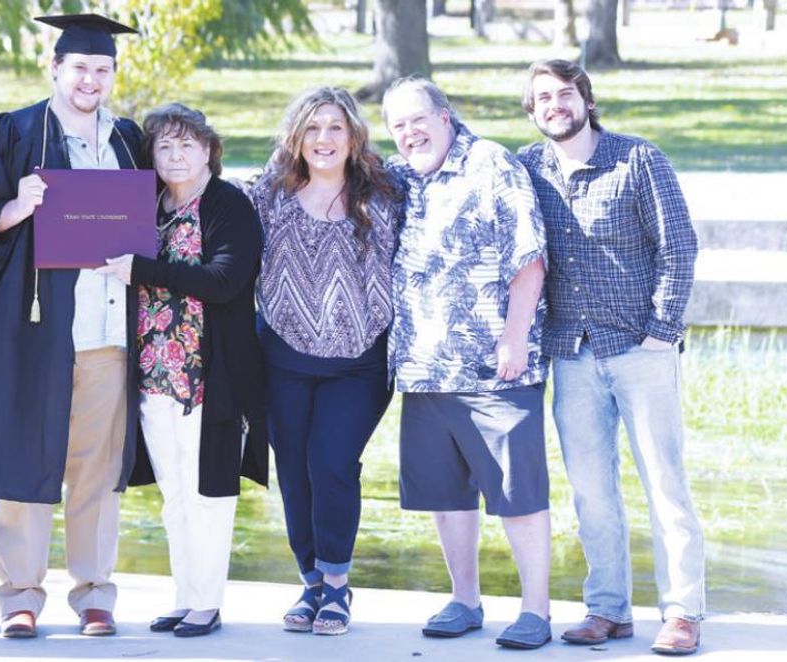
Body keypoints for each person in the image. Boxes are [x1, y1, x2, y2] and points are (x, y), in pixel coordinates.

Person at [0, 13, 146, 639]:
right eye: (80, 68)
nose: (91, 79)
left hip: (109, 332)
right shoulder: (14, 132)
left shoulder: (127, 140)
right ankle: (20, 594)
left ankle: (95, 593)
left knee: (97, 468)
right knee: (24, 455)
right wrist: (16, 208)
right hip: (35, 327)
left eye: (102, 69)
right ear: (56, 68)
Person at [518, 59, 704, 656]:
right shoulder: (526, 171)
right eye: (542, 97)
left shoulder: (638, 159)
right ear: (532, 110)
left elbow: (678, 245)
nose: (555, 105)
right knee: (592, 491)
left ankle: (682, 612)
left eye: (564, 94)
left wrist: (662, 329)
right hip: (570, 355)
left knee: (664, 483)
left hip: (640, 350)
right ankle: (608, 610)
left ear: (586, 100)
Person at [383, 77, 552, 649]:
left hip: (493, 367)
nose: (409, 133)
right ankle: (465, 599)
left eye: (417, 120)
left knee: (516, 492)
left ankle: (535, 611)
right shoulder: (403, 175)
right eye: (398, 126)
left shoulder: (490, 166)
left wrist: (515, 337)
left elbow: (528, 258)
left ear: (446, 116)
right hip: (425, 368)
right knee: (445, 494)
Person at [98, 103, 267, 637]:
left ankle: (208, 602)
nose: (175, 155)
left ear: (209, 149)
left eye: (187, 145)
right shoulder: (146, 204)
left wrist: (142, 269)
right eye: (164, 146)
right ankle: (184, 594)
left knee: (208, 491)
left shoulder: (227, 204)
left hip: (207, 374)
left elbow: (225, 281)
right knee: (174, 492)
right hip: (154, 370)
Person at [249, 87, 400, 636]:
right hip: (282, 357)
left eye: (335, 127)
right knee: (292, 468)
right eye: (312, 128)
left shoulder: (386, 193)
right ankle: (311, 582)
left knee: (331, 463)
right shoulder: (268, 195)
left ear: (353, 134)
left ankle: (337, 585)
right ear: (296, 137)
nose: (324, 139)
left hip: (361, 361)